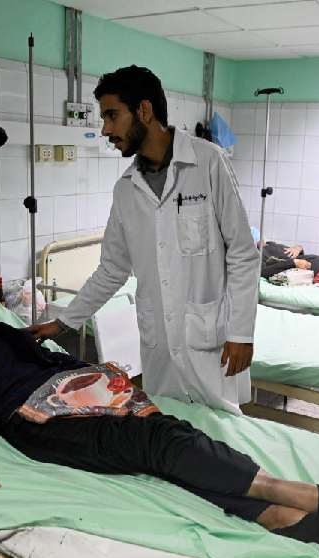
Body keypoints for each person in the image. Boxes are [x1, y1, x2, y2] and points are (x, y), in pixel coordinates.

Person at [0, 271, 319, 557]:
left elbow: (51, 358)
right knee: (153, 443)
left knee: (167, 432)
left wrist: (97, 371)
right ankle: (302, 496)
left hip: (76, 390)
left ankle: (283, 518)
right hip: (35, 419)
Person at [27, 66, 258, 415]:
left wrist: (241, 333)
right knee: (169, 431)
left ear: (144, 111)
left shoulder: (208, 163)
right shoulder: (126, 190)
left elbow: (242, 253)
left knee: (225, 434)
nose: (105, 129)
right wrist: (64, 322)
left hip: (210, 341)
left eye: (112, 115)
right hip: (159, 347)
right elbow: (112, 270)